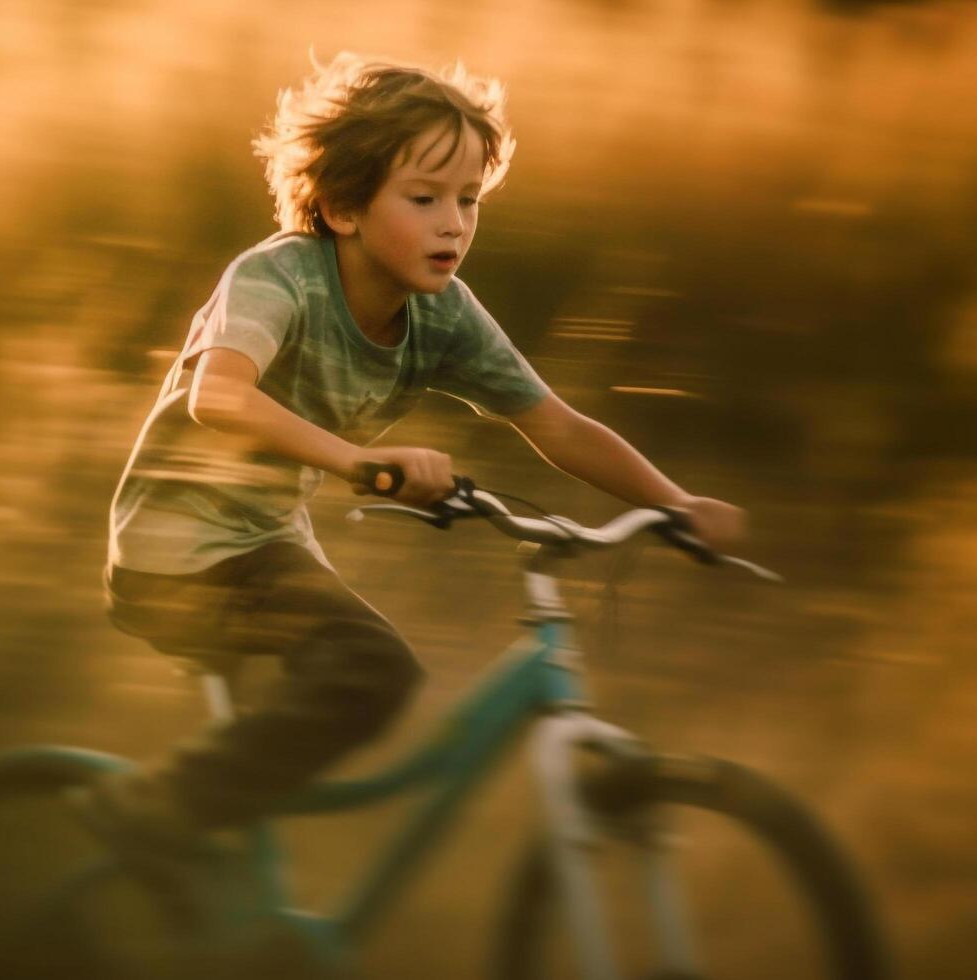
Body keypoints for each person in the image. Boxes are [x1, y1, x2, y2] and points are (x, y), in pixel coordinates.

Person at [85, 52, 746, 854]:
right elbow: (218, 397)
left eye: (469, 200)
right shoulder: (277, 279)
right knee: (371, 673)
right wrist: (360, 464)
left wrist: (674, 504)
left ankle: (220, 874)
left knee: (348, 697)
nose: (454, 223)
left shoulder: (444, 316)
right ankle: (147, 813)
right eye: (424, 197)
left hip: (264, 545)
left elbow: (556, 425)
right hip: (173, 555)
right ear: (339, 207)